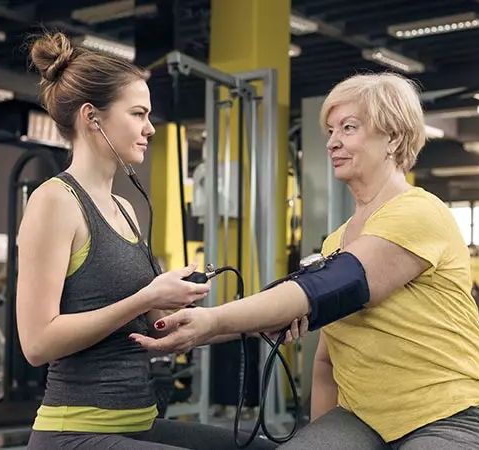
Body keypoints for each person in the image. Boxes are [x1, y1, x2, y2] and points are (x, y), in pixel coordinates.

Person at [131, 73, 479, 449]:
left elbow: (333, 286)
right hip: (364, 418)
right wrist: (191, 329)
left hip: (452, 413)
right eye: (330, 131)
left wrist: (212, 320)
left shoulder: (417, 211)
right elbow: (327, 363)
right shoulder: (337, 240)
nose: (332, 142)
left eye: (349, 128)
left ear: (394, 138)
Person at [17, 31, 284, 450]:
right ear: (93, 117)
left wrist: (256, 325)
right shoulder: (55, 201)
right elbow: (36, 343)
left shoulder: (124, 207)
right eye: (138, 114)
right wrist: (144, 298)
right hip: (75, 432)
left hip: (138, 423)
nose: (150, 129)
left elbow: (151, 331)